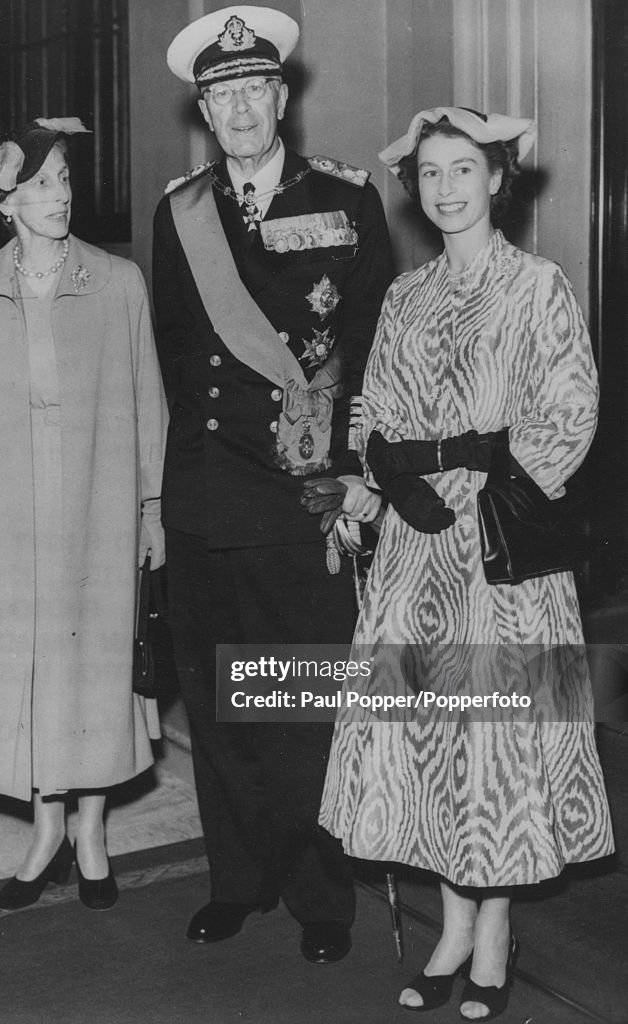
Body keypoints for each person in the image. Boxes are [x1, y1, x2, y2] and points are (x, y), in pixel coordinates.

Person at [319, 107, 615, 1021]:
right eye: (432, 174)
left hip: (502, 552)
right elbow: (376, 415)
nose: (447, 189)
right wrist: (386, 481)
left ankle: (493, 934)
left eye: (464, 171)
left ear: (497, 180)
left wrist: (481, 492)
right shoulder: (406, 295)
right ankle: (451, 926)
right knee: (426, 741)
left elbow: (569, 411)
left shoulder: (539, 286)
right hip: (416, 553)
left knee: (499, 750)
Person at [152, 6, 394, 961]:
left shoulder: (345, 197)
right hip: (208, 490)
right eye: (223, 93)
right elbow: (174, 354)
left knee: (297, 700)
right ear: (205, 112)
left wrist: (354, 474)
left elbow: (372, 344)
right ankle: (237, 879)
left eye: (256, 88)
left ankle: (318, 895)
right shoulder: (179, 212)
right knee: (217, 702)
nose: (242, 107)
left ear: (281, 98)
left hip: (303, 493)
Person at [0, 117, 168, 912]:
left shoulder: (118, 282)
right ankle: (45, 832)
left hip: (97, 495)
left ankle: (92, 834)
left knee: (93, 665)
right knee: (26, 668)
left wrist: (151, 507)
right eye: (37, 184)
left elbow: (147, 402)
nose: (57, 195)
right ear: (5, 201)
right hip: (6, 505)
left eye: (64, 179)